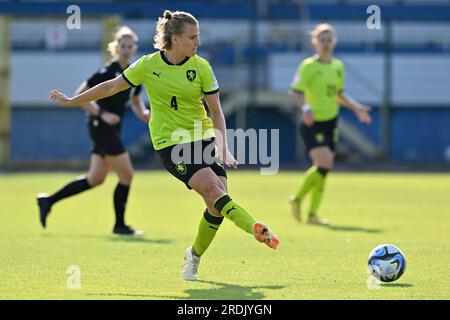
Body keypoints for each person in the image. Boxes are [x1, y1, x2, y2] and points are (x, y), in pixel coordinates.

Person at [48, 10, 280, 281]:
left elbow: (216, 112)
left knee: (216, 205)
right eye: (192, 37)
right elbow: (111, 87)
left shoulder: (201, 67)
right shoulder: (148, 65)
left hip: (202, 137)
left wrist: (224, 147)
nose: (198, 42)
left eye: (198, 37)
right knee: (213, 189)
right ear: (174, 39)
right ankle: (256, 228)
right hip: (170, 143)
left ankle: (193, 256)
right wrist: (70, 101)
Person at [38, 26, 150, 236]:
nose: (126, 49)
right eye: (122, 45)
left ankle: (48, 201)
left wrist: (143, 113)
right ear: (115, 48)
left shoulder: (135, 74)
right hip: (100, 127)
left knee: (95, 178)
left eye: (129, 46)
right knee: (127, 174)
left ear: (134, 48)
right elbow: (81, 95)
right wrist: (102, 114)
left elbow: (135, 101)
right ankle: (120, 225)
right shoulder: (107, 71)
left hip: (110, 129)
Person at [288, 23, 372, 225]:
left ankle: (312, 215)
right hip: (312, 122)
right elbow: (294, 92)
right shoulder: (308, 66)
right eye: (322, 40)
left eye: (329, 40)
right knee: (325, 164)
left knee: (323, 169)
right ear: (315, 42)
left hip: (331, 122)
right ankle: (298, 198)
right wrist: (306, 109)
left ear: (334, 42)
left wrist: (356, 107)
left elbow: (338, 95)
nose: (326, 44)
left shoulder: (338, 67)